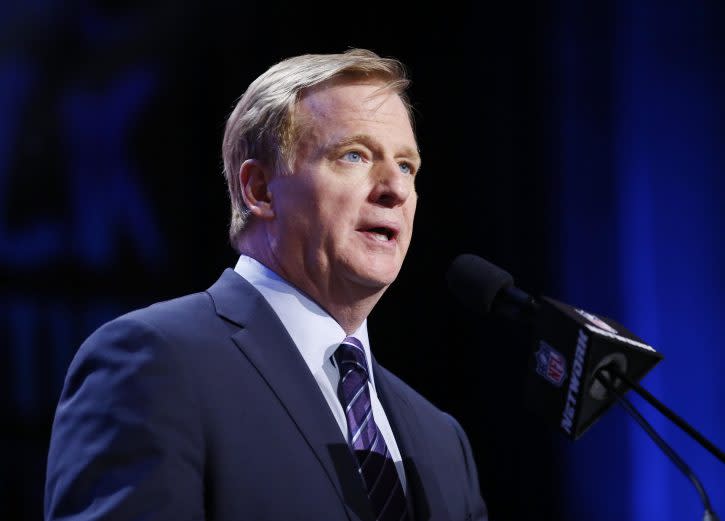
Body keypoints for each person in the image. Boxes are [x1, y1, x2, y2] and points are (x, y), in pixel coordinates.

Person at [45, 49, 488, 521]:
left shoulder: (441, 440)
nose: (394, 189)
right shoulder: (154, 364)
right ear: (258, 190)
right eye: (354, 155)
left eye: (406, 166)